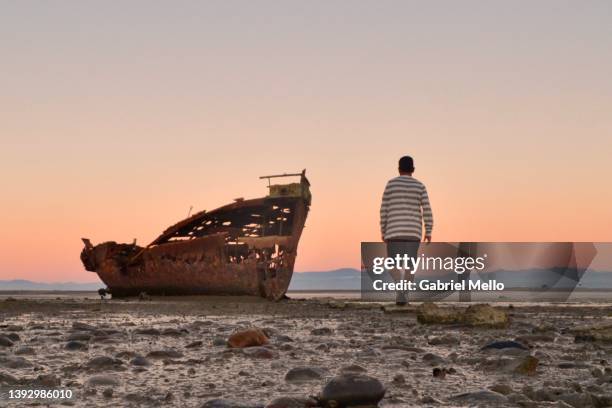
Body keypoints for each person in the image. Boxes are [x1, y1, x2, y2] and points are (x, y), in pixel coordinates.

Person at [380, 156, 434, 305]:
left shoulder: (391, 185)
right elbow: (427, 209)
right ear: (413, 169)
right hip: (413, 233)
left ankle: (400, 291)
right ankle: (404, 293)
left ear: (398, 169)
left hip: (394, 232)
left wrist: (383, 230)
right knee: (410, 267)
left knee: (392, 266)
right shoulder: (420, 186)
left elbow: (383, 209)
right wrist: (428, 230)